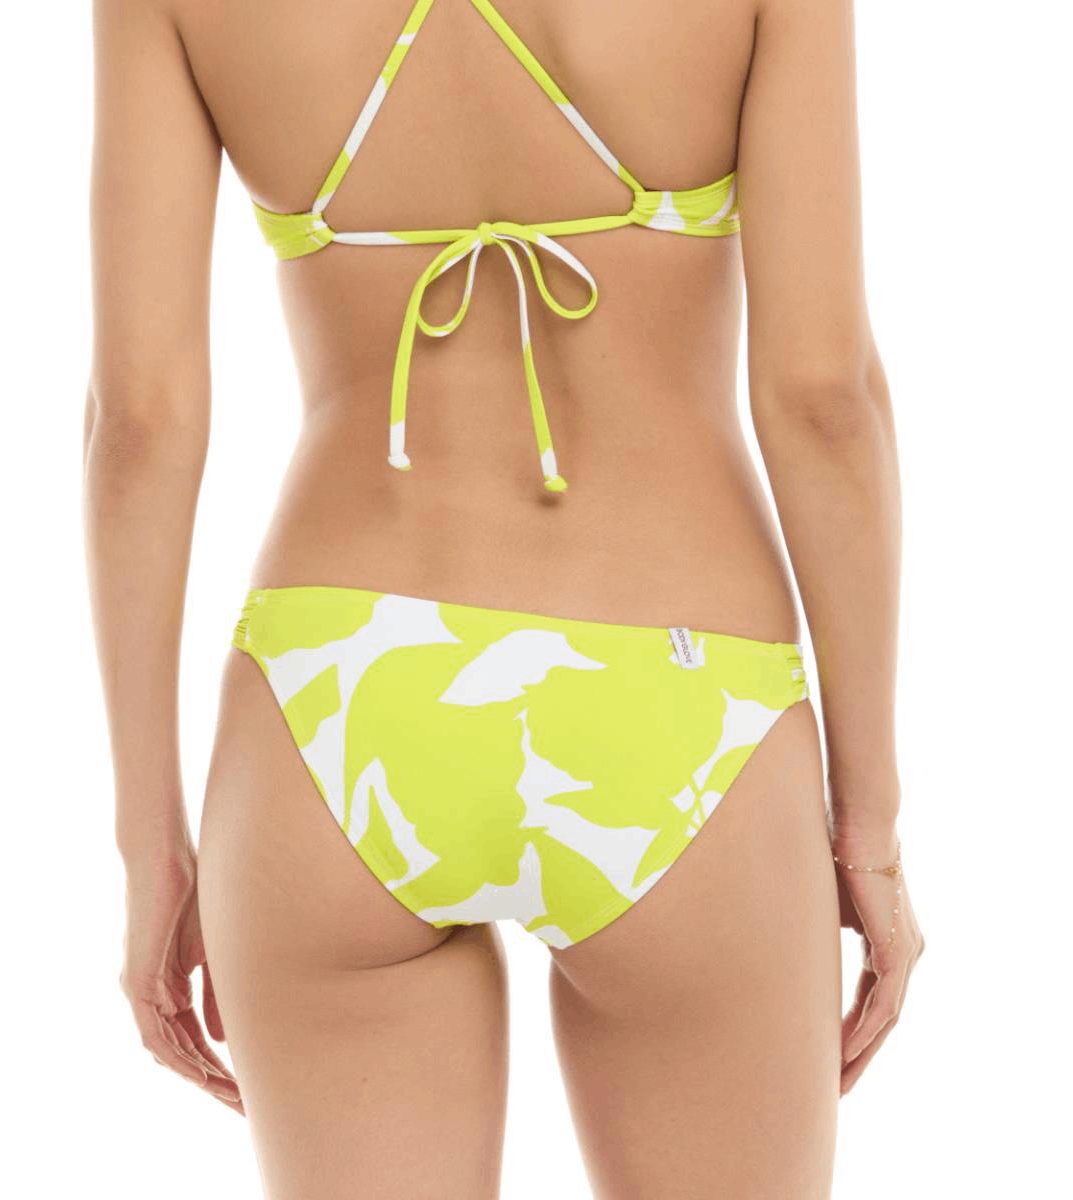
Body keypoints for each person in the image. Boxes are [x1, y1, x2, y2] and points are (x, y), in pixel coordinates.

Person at [84, 0, 924, 1195]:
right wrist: (868, 827)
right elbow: (822, 396)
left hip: (339, 696)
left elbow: (140, 421)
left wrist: (149, 845)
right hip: (680, 692)